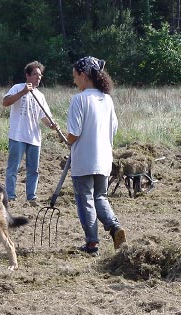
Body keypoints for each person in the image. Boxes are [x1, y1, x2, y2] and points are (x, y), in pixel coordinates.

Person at [66, 56, 126, 255]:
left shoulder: (79, 99)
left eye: (75, 77)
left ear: (84, 76)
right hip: (104, 159)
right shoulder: (107, 99)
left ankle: (92, 245)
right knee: (100, 197)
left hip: (83, 160)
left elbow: (74, 134)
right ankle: (115, 227)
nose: (74, 81)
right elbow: (114, 129)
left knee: (86, 201)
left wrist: (67, 140)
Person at [3, 61, 57, 206]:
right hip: (18, 136)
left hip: (34, 137)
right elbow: (6, 102)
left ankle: (31, 197)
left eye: (40, 76)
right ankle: (11, 197)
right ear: (27, 75)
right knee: (13, 167)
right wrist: (23, 92)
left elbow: (44, 117)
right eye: (35, 75)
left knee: (34, 170)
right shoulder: (17, 88)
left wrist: (51, 125)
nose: (38, 78)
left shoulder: (40, 95)